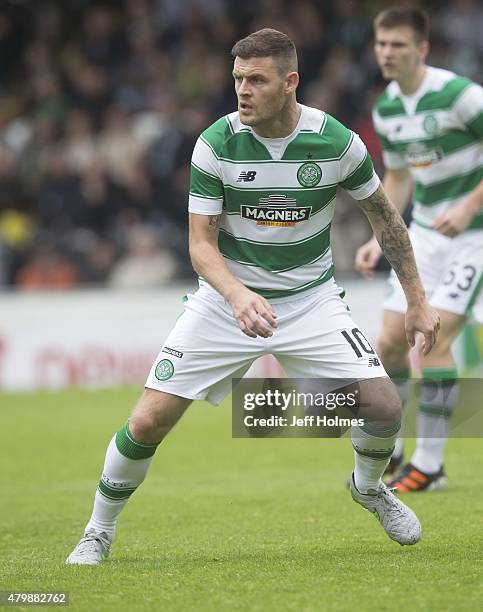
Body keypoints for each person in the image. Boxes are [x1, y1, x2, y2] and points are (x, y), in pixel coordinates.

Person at [66, 28, 440, 565]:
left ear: (290, 83)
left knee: (382, 405)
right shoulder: (216, 143)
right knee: (148, 421)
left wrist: (417, 301)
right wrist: (238, 295)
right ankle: (98, 531)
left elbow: (387, 221)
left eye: (256, 80)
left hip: (310, 300)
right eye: (237, 78)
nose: (242, 90)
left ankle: (369, 487)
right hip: (225, 302)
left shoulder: (337, 142)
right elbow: (200, 245)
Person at [355, 7, 483, 492]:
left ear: (422, 49)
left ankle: (430, 466)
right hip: (425, 236)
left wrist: (471, 206)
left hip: (475, 236)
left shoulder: (460, 96)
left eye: (398, 45)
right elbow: (400, 176)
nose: (387, 54)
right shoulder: (387, 107)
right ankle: (397, 449)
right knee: (388, 343)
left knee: (433, 338)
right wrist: (376, 237)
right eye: (381, 44)